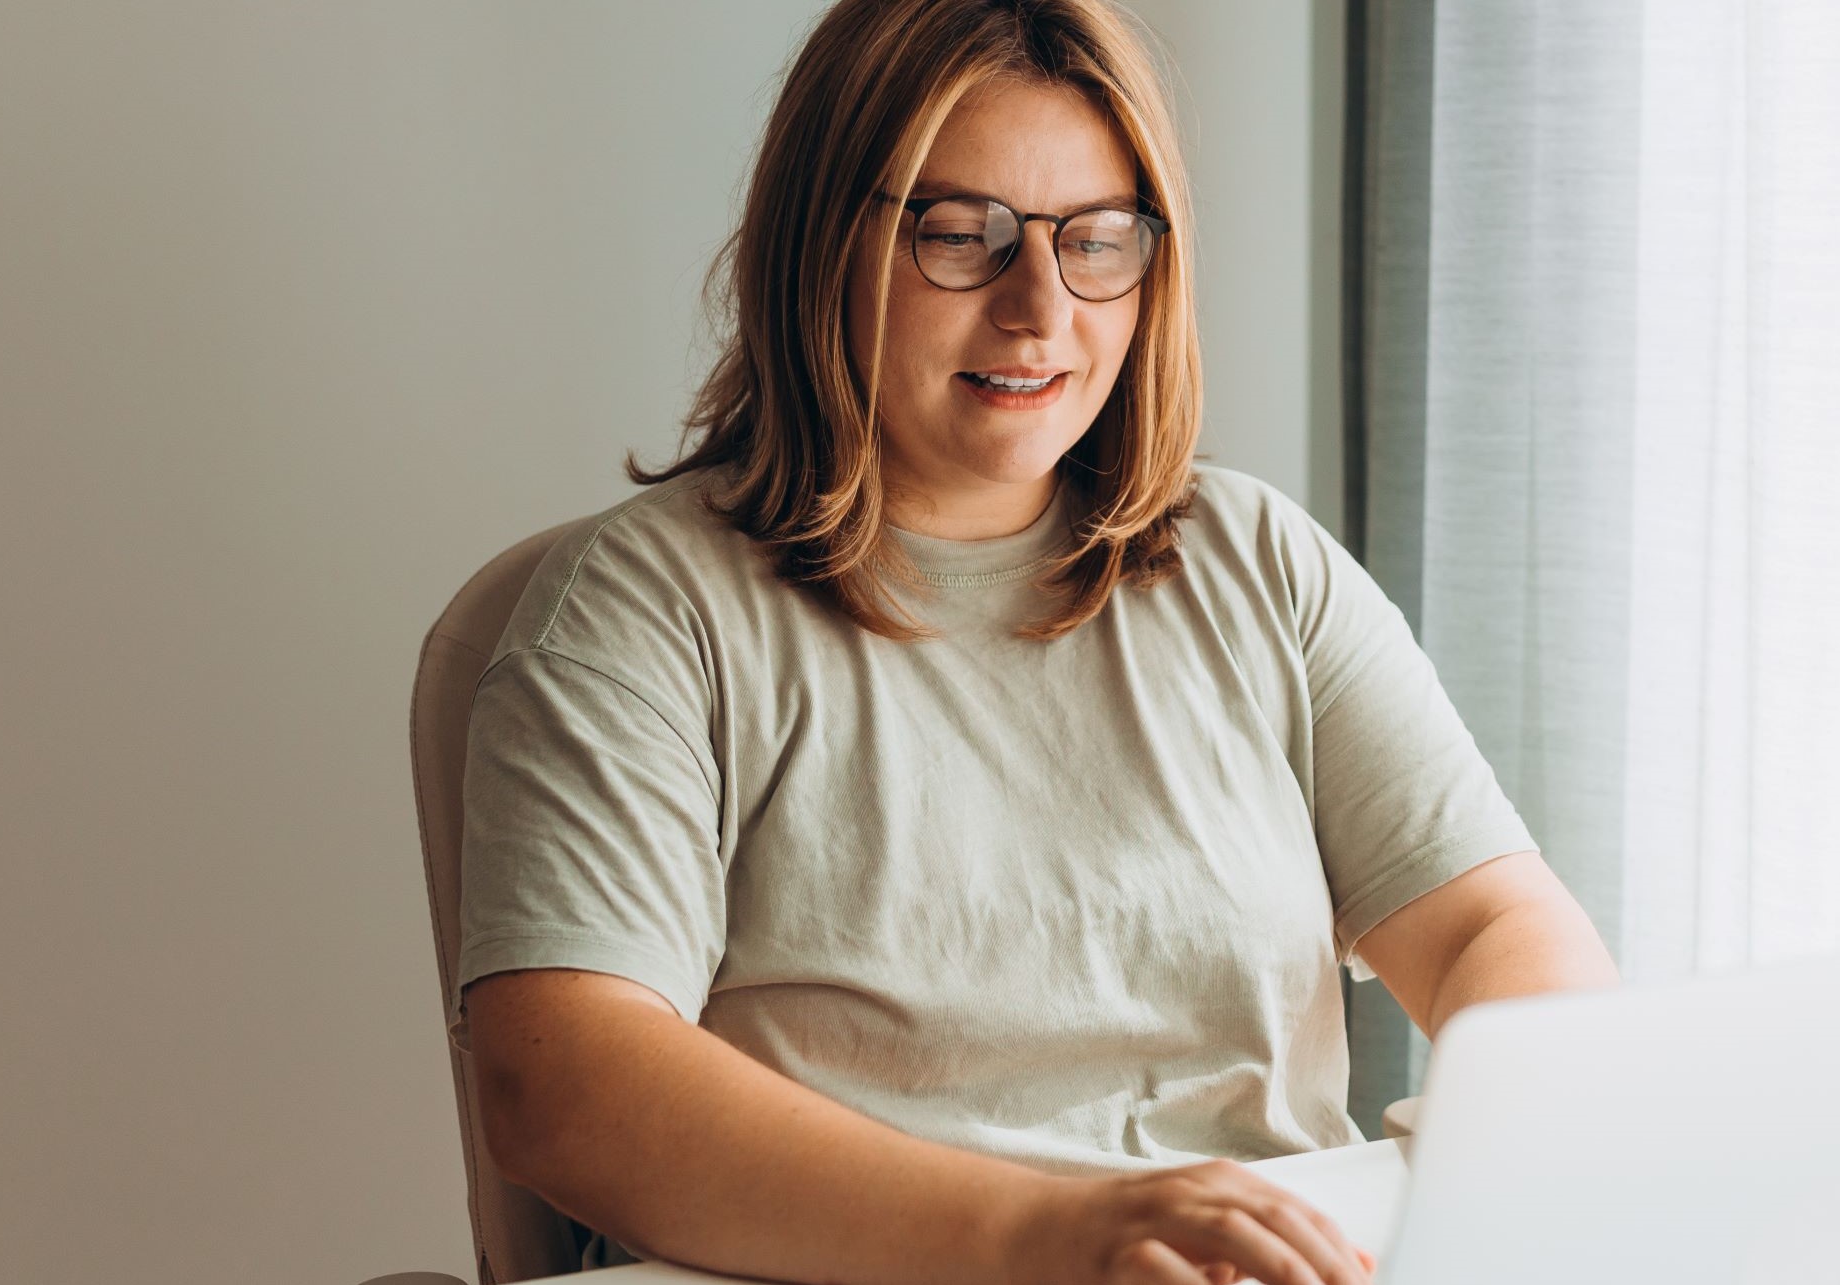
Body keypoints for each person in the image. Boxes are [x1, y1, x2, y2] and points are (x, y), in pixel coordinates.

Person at [454, 0, 1620, 1281]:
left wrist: (1536, 1143)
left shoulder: (1258, 564)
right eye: (961, 237)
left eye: (1097, 242)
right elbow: (562, 1084)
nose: (1039, 307)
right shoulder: (639, 612)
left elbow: (1489, 925)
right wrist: (1053, 1235)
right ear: (821, 243)